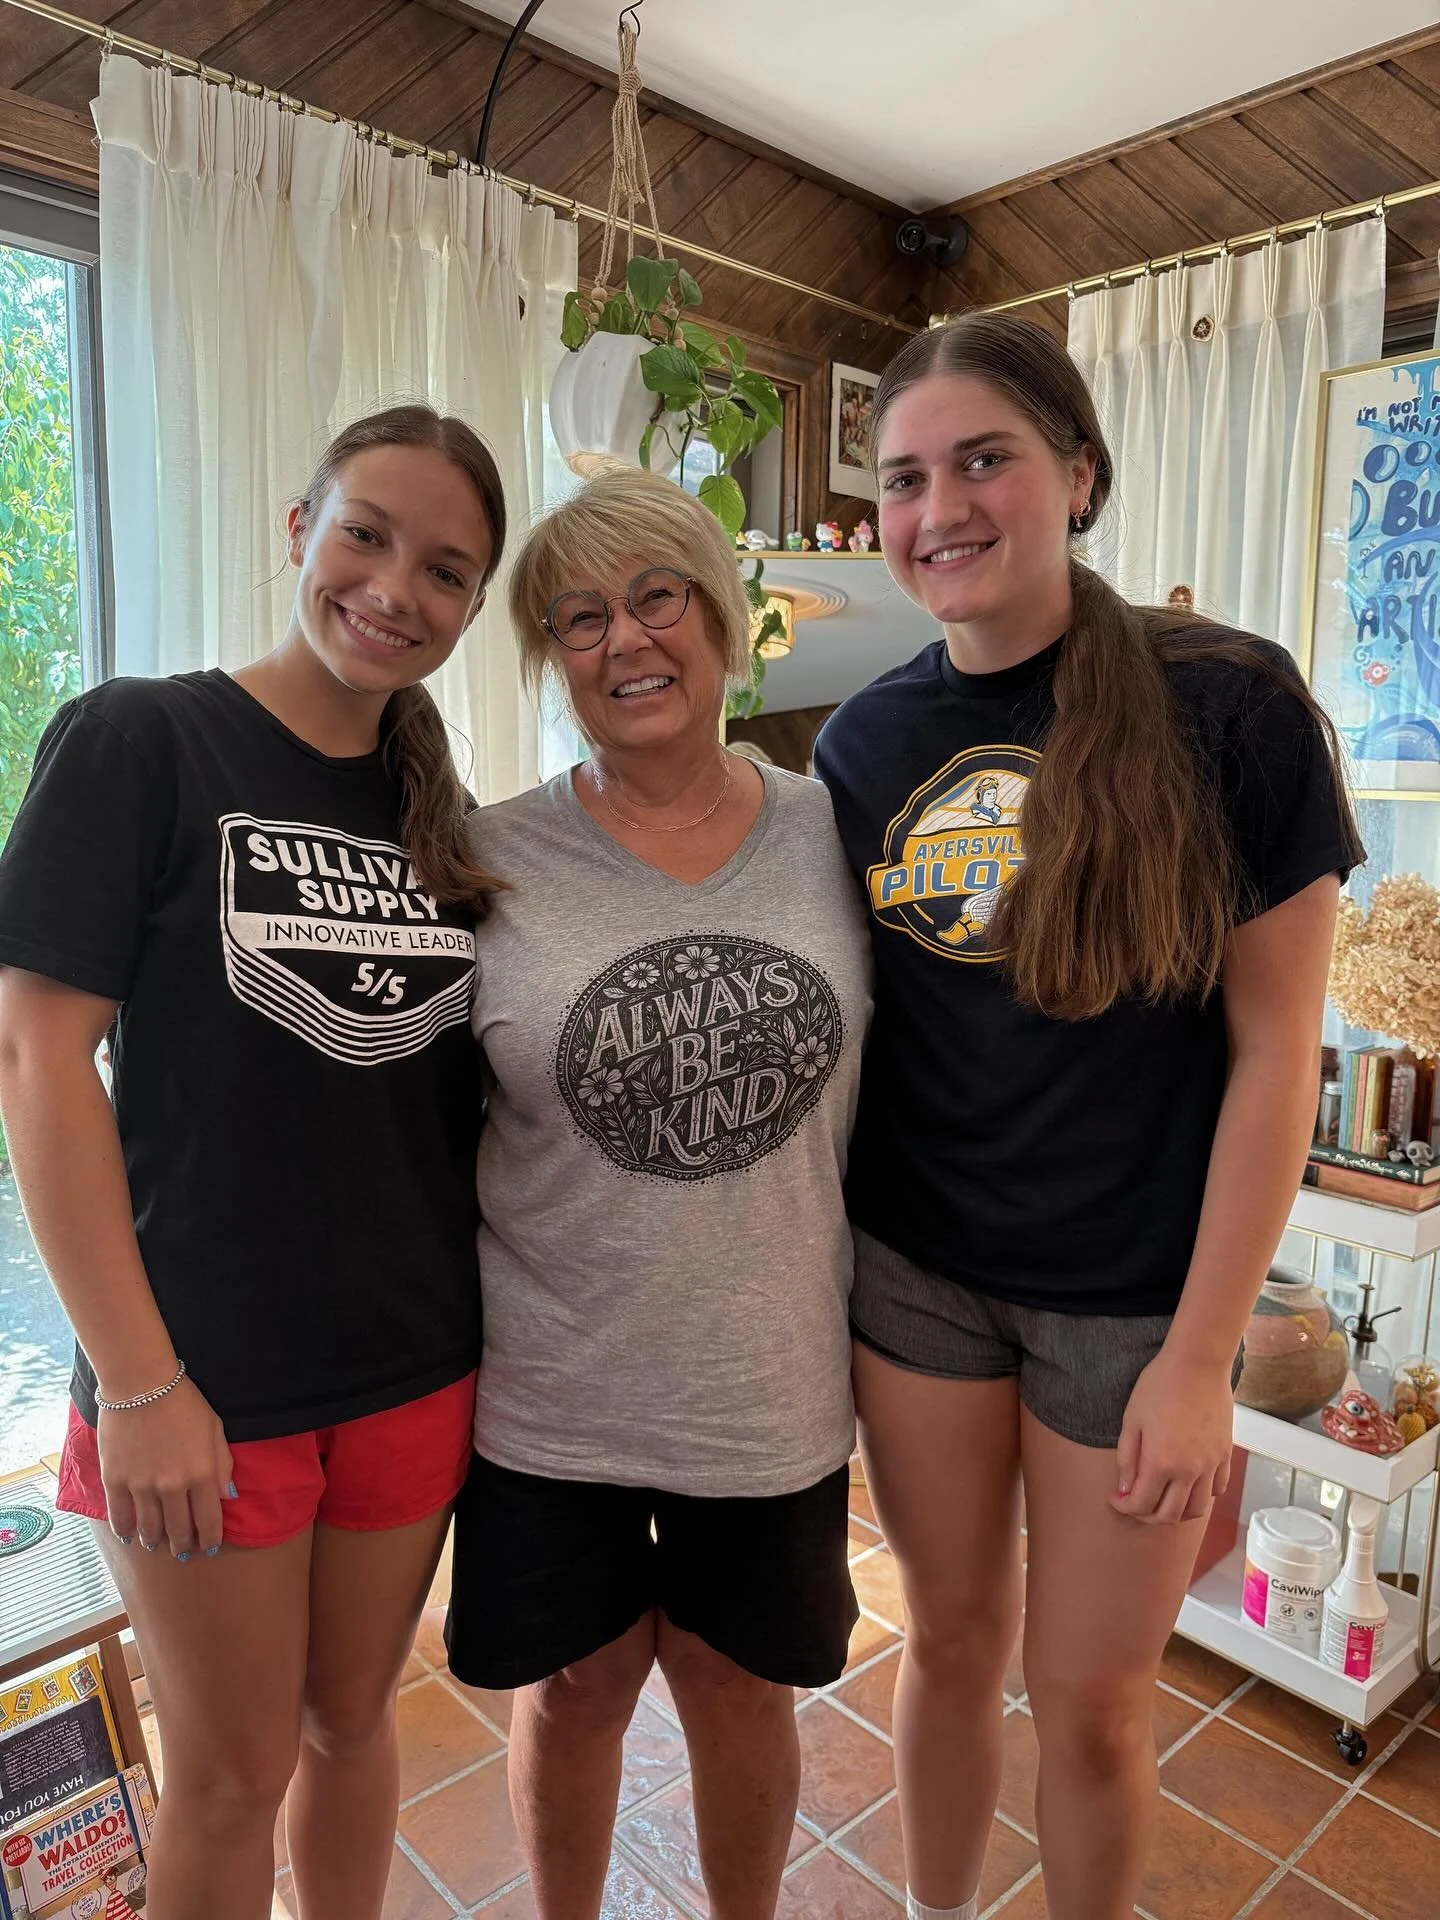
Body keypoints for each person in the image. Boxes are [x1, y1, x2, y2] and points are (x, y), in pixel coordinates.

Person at [812, 313, 1362, 1920]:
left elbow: (1281, 1059)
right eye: (905, 479)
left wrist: (1203, 1361)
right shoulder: (864, 741)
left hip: (1133, 1306)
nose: (940, 509)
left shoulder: (1230, 708)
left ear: (1077, 473)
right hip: (915, 1274)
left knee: (1094, 1702)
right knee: (947, 1643)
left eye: (983, 459)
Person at [0, 406, 506, 1920]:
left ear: (475, 609)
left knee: (356, 1731)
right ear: (300, 530)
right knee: (228, 1784)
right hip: (205, 1386)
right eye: (368, 536)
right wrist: (139, 1384)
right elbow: (37, 1065)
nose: (395, 590)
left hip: (415, 1368)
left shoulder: (444, 818)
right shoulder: (142, 737)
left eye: (446, 571)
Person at [445, 466, 872, 1920]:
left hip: (769, 1384)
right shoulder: (487, 860)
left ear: (724, 617)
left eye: (657, 597)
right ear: (549, 658)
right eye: (578, 619)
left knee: (742, 1693)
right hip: (555, 1389)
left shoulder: (836, 834)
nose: (625, 642)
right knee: (577, 1693)